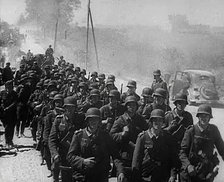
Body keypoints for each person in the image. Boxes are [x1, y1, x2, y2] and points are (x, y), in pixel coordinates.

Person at [67, 107, 126, 182]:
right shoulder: (79, 135)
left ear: (99, 121)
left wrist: (120, 171)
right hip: (83, 176)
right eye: (91, 119)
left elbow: (116, 156)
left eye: (96, 119)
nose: (93, 122)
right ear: (87, 121)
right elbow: (70, 156)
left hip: (100, 176)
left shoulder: (105, 136)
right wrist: (83, 161)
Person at [179, 104, 224, 182]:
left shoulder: (213, 130)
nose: (204, 118)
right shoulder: (191, 131)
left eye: (206, 116)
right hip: (191, 172)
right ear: (198, 117)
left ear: (210, 117)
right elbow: (182, 152)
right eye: (201, 116)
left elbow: (222, 149)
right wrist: (188, 166)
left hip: (206, 172)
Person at [132, 109, 179, 182]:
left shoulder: (167, 137)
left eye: (160, 120)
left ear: (163, 122)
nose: (158, 123)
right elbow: (136, 160)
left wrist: (172, 175)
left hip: (163, 175)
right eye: (155, 120)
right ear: (151, 122)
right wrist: (136, 177)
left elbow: (173, 157)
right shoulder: (143, 137)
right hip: (146, 176)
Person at [110, 96, 148, 181]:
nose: (132, 107)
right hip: (124, 155)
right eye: (129, 105)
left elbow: (147, 132)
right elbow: (111, 135)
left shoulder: (140, 120)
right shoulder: (120, 120)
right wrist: (122, 134)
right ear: (126, 106)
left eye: (134, 105)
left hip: (138, 155)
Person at [49, 96, 85, 182]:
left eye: (72, 107)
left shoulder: (81, 119)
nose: (69, 110)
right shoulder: (59, 120)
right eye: (67, 107)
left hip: (78, 154)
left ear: (75, 108)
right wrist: (55, 154)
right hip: (64, 154)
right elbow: (52, 139)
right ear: (64, 108)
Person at [0, 80, 18, 148]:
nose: (9, 88)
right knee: (6, 127)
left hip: (12, 113)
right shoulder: (2, 93)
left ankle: (9, 141)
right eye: (8, 86)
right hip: (4, 114)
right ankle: (8, 141)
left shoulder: (14, 93)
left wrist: (8, 108)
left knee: (11, 127)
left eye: (10, 86)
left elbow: (15, 102)